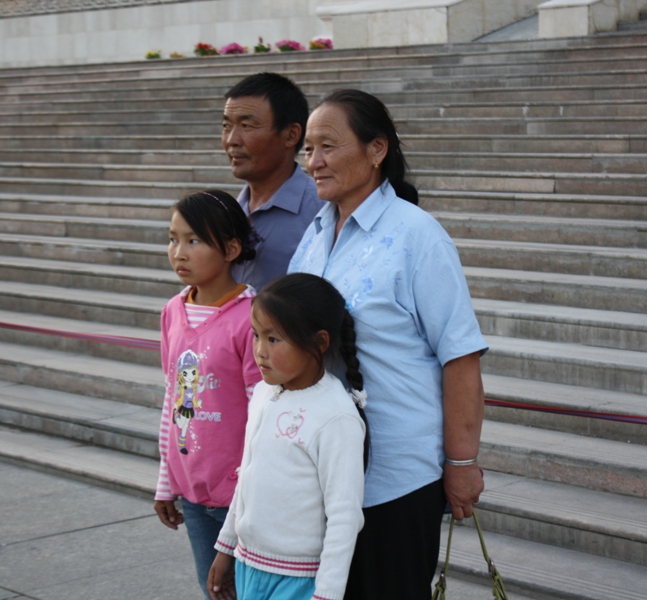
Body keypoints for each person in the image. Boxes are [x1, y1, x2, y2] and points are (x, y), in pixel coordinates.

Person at [289, 89, 488, 600]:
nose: (314, 162)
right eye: (308, 149)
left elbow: (460, 357)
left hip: (394, 478)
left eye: (328, 147)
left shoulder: (418, 237)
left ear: (376, 150)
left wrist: (462, 465)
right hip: (321, 473)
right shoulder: (314, 234)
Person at [207, 273, 368, 600]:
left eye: (273, 339)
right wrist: (227, 546)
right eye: (256, 336)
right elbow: (246, 475)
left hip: (296, 580)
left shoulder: (336, 416)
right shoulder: (264, 394)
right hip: (248, 565)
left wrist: (326, 595)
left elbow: (344, 517)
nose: (259, 351)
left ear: (320, 342)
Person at [154, 189, 263, 599]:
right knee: (214, 591)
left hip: (245, 498)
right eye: (173, 238)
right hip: (194, 496)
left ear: (232, 248)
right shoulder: (172, 312)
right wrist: (166, 482)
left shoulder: (251, 318)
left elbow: (261, 418)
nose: (178, 252)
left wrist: (244, 502)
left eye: (194, 240)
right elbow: (173, 402)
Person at [222, 72, 325, 292]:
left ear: (291, 135)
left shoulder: (323, 212)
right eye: (226, 126)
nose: (232, 140)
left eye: (247, 126)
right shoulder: (228, 213)